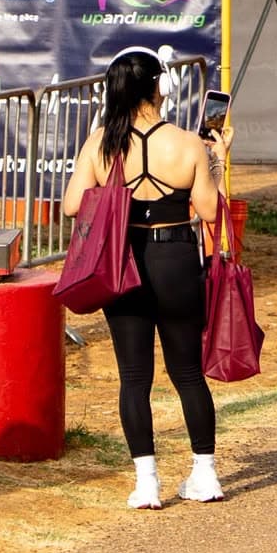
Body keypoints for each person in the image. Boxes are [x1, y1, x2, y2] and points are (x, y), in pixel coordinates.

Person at [60, 46, 225, 509]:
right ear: (159, 86)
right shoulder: (188, 144)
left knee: (134, 377)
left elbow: (72, 205)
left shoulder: (102, 143)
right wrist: (217, 160)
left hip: (122, 261)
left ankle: (146, 482)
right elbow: (210, 211)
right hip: (176, 258)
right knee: (187, 372)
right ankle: (205, 474)